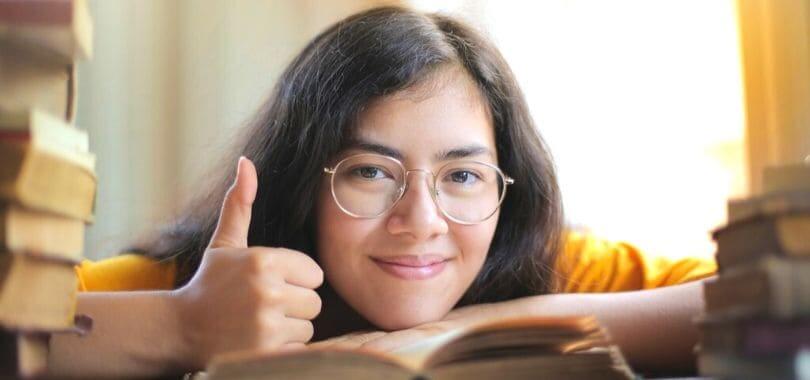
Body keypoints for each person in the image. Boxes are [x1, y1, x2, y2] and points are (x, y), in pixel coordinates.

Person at [49, 6, 716, 378]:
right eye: (370, 172)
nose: (421, 221)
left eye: (462, 176)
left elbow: (758, 294)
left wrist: (485, 326)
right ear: (302, 180)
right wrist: (182, 324)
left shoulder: (541, 264)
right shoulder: (214, 286)